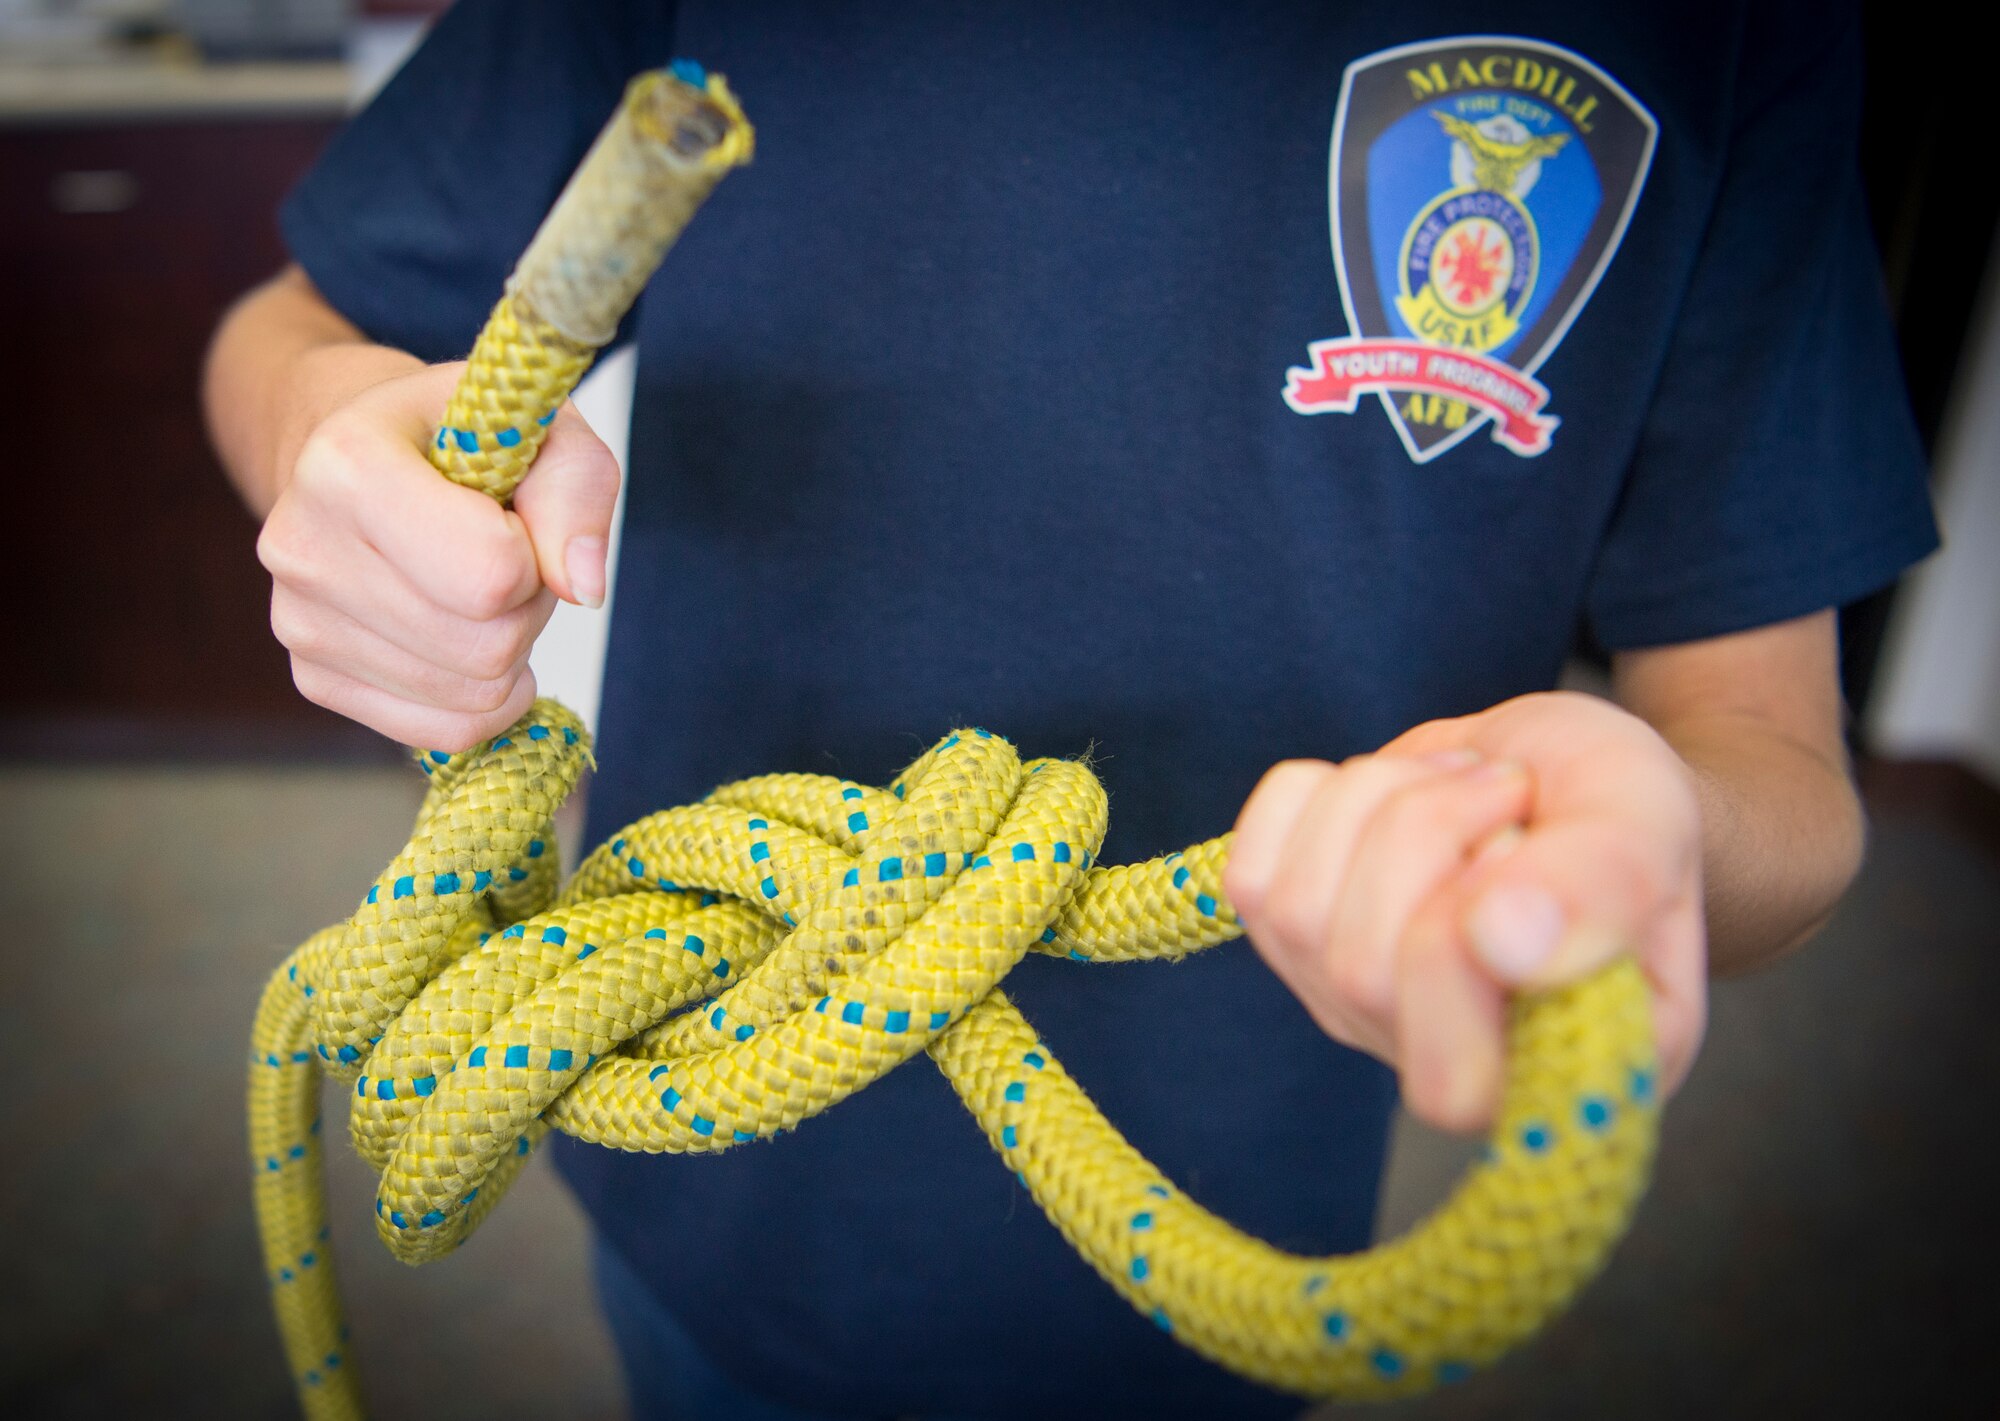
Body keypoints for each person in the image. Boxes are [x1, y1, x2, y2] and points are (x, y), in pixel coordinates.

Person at [204, 3, 1937, 1416]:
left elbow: (1773, 760)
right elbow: (299, 326)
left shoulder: (1731, 26)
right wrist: (327, 433)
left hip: (1222, 1227)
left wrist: (1641, 823)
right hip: (708, 1141)